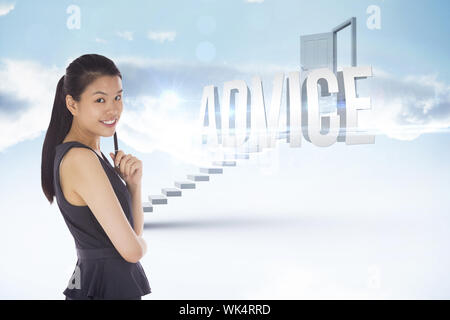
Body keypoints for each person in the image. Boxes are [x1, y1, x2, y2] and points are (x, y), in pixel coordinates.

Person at [41, 54, 151, 300]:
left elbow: (132, 233)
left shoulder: (93, 154)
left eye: (118, 97)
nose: (113, 109)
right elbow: (133, 249)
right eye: (100, 99)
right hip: (105, 286)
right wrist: (143, 247)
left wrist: (134, 185)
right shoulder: (82, 159)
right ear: (72, 104)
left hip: (104, 283)